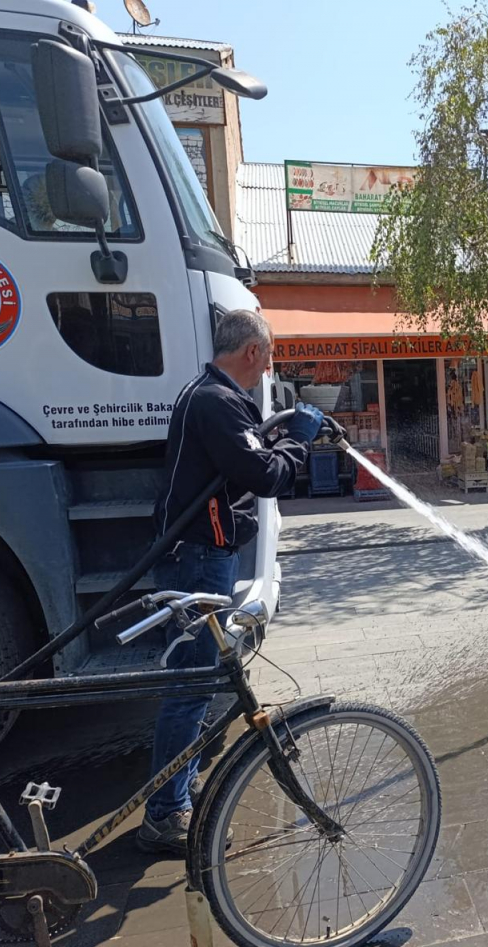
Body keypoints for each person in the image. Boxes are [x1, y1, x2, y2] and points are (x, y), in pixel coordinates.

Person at [138, 310, 324, 855]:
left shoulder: (210, 396)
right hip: (198, 559)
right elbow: (265, 475)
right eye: (269, 356)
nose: (270, 367)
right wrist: (299, 440)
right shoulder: (215, 402)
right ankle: (165, 813)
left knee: (201, 684)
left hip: (200, 554)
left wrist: (283, 434)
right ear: (251, 352)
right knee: (191, 687)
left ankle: (179, 785)